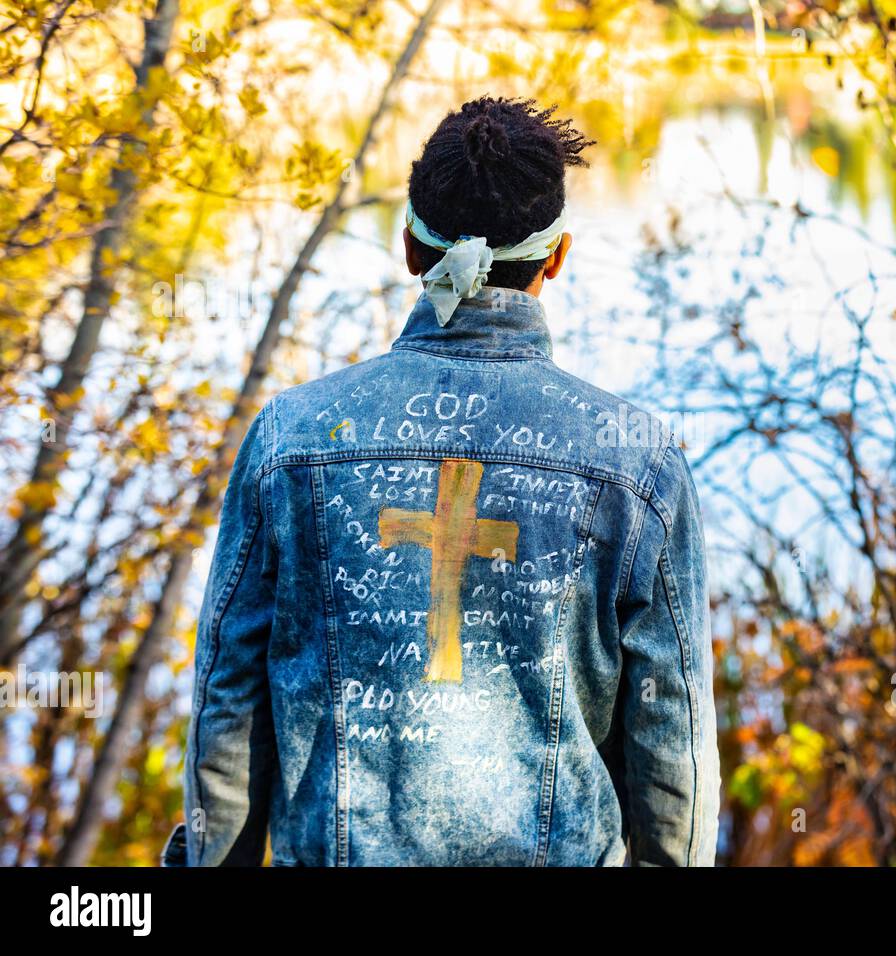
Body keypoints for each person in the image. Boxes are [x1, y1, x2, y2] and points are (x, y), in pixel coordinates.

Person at [164, 97, 719, 867]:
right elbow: (673, 740)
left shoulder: (292, 437)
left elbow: (230, 704)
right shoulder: (638, 461)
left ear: (410, 250)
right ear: (557, 257)